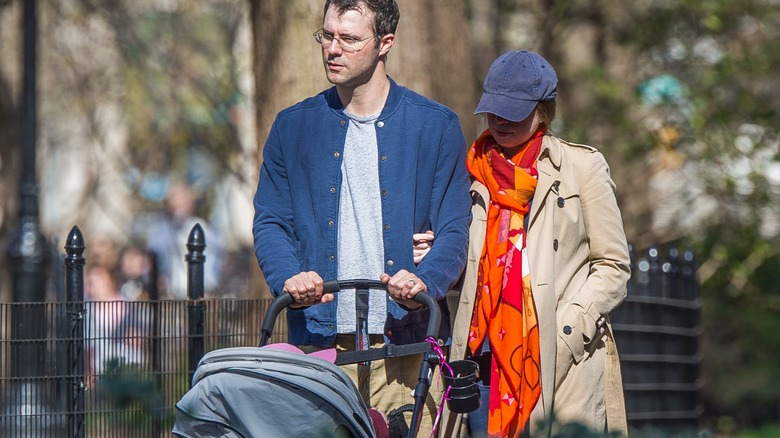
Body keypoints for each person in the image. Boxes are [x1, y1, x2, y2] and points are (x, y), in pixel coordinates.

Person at [252, 0, 472, 435]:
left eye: (349, 39)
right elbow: (271, 221)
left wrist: (427, 280)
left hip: (407, 350)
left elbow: (454, 229)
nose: (333, 48)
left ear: (384, 43)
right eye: (327, 35)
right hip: (319, 350)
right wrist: (288, 277)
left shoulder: (436, 127)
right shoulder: (291, 127)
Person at [441, 50, 630, 437]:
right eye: (494, 109)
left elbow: (613, 264)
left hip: (560, 359)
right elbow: (468, 264)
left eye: (514, 111)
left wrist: (571, 328)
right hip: (481, 361)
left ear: (543, 111)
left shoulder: (582, 168)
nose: (499, 121)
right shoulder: (469, 172)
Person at [146, 182, 223, 299]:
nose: (179, 205)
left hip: (200, 295)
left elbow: (215, 262)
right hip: (171, 296)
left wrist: (211, 288)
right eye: (175, 201)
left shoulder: (202, 228)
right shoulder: (161, 229)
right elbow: (154, 256)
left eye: (183, 201)